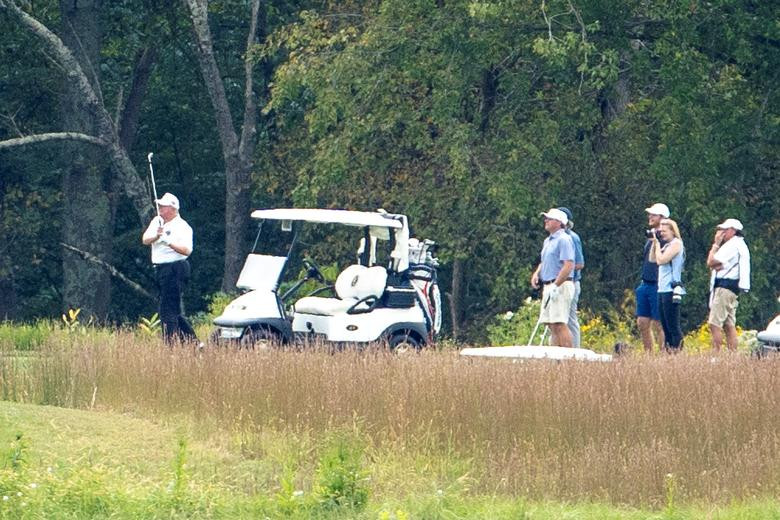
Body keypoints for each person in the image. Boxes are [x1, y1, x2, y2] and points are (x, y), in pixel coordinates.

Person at [141, 192, 198, 345]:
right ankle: (194, 343)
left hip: (176, 268)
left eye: (163, 206)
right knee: (173, 309)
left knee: (167, 311)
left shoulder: (183, 227)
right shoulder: (157, 221)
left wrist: (168, 241)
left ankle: (170, 345)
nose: (159, 208)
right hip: (160, 270)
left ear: (173, 209)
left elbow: (187, 250)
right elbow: (145, 239)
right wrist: (157, 236)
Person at [531, 208, 576, 348]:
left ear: (559, 222)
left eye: (549, 219)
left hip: (561, 285)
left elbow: (568, 265)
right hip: (549, 285)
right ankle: (556, 356)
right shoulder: (547, 241)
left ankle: (569, 358)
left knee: (559, 323)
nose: (546, 221)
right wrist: (536, 273)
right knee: (550, 323)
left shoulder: (564, 239)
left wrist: (556, 285)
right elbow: (545, 261)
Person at [706, 218, 750, 352]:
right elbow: (717, 264)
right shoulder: (740, 245)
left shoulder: (732, 245)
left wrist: (716, 244)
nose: (721, 233)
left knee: (714, 324)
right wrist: (716, 264)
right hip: (732, 288)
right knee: (729, 324)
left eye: (724, 230)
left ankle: (717, 355)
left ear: (733, 231)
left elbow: (711, 262)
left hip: (724, 288)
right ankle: (732, 356)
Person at [636, 203, 669, 352]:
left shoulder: (666, 237)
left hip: (658, 283)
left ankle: (663, 355)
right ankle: (649, 354)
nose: (650, 217)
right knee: (642, 321)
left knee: (658, 322)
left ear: (662, 218)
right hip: (646, 282)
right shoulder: (651, 236)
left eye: (654, 215)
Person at [649, 218, 685, 352]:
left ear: (672, 231)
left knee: (672, 325)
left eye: (664, 231)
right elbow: (652, 259)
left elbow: (661, 260)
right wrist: (654, 243)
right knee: (664, 324)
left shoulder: (676, 244)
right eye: (660, 231)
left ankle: (677, 350)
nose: (662, 234)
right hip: (662, 288)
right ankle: (669, 351)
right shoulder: (666, 245)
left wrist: (658, 245)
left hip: (671, 289)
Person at [557, 207, 584, 348]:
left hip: (571, 283)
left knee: (570, 319)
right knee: (557, 320)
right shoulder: (554, 239)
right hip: (558, 284)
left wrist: (563, 270)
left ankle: (575, 352)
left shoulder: (573, 238)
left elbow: (579, 264)